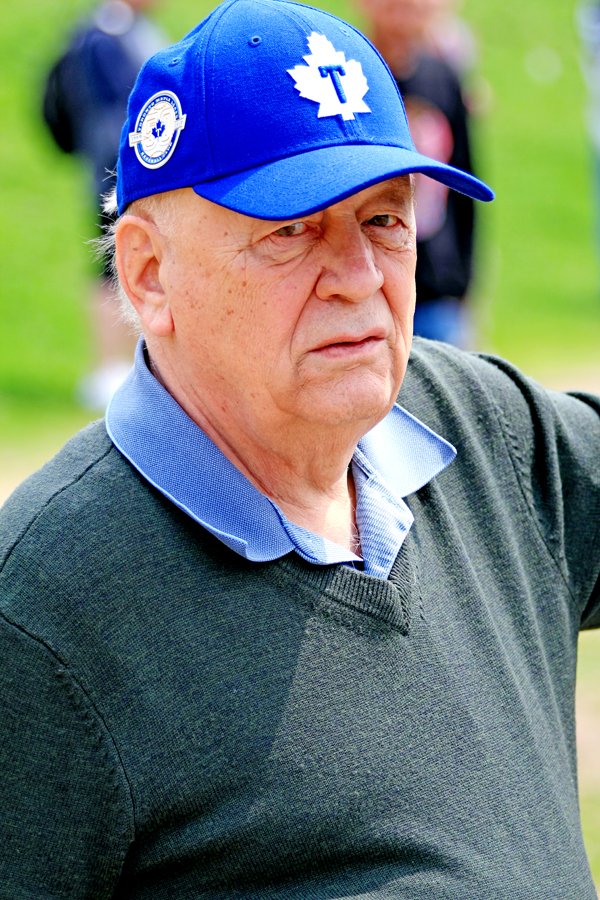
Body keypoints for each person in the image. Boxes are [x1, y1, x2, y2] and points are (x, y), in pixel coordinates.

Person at [1, 0, 598, 896]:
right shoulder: (42, 619)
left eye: (386, 220)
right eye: (292, 230)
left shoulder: (487, 431)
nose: (360, 278)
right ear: (149, 274)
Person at [47, 0, 166, 407]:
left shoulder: (118, 30)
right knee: (115, 266)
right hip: (115, 170)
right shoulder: (106, 34)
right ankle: (110, 368)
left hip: (117, 166)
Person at [356, 0, 481, 346]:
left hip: (437, 285)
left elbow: (465, 184)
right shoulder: (348, 80)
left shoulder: (443, 77)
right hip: (372, 279)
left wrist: (466, 281)